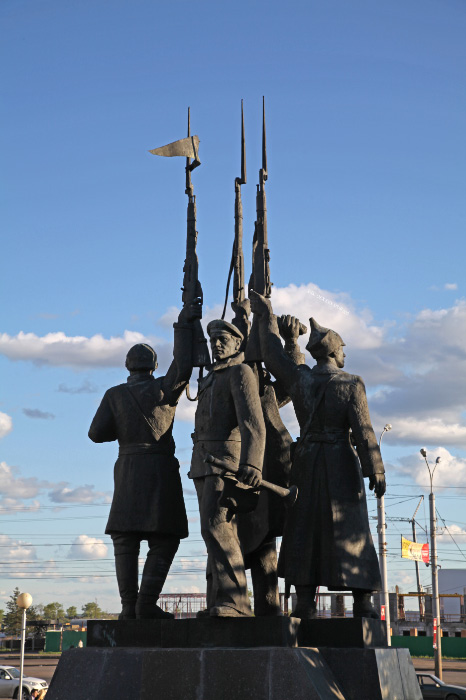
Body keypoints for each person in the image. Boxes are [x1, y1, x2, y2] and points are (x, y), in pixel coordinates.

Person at [250, 291, 386, 619]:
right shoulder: (351, 384)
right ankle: (362, 601)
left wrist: (268, 313)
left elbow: (271, 354)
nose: (344, 355)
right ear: (336, 352)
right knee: (350, 527)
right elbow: (364, 431)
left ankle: (304, 602)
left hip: (307, 461)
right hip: (340, 460)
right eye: (343, 350)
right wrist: (375, 469)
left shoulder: (301, 379)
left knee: (304, 528)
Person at [89, 302, 199, 620]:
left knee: (125, 540)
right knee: (164, 538)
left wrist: (124, 432)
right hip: (160, 470)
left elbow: (96, 434)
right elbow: (184, 363)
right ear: (152, 365)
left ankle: (127, 608)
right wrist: (184, 324)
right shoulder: (165, 387)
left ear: (128, 365)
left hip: (127, 468)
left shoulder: (114, 394)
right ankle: (146, 604)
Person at [189, 319, 266, 617]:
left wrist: (251, 463)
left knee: (216, 526)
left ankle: (237, 602)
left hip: (228, 463)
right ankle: (219, 601)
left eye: (223, 339)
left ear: (237, 344)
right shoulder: (209, 378)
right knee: (215, 533)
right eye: (213, 341)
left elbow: (253, 424)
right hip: (203, 464)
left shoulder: (241, 372)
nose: (217, 345)